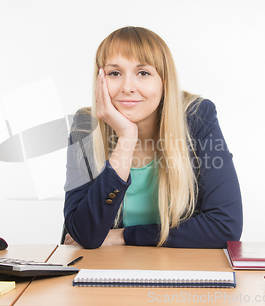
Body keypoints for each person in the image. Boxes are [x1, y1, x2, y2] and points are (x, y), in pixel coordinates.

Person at [63, 26, 242, 249]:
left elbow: (225, 228)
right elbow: (85, 234)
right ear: (100, 80)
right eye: (114, 73)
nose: (128, 87)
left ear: (164, 81)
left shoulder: (197, 116)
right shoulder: (85, 126)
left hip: (179, 269)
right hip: (104, 270)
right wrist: (126, 137)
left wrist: (125, 236)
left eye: (143, 73)